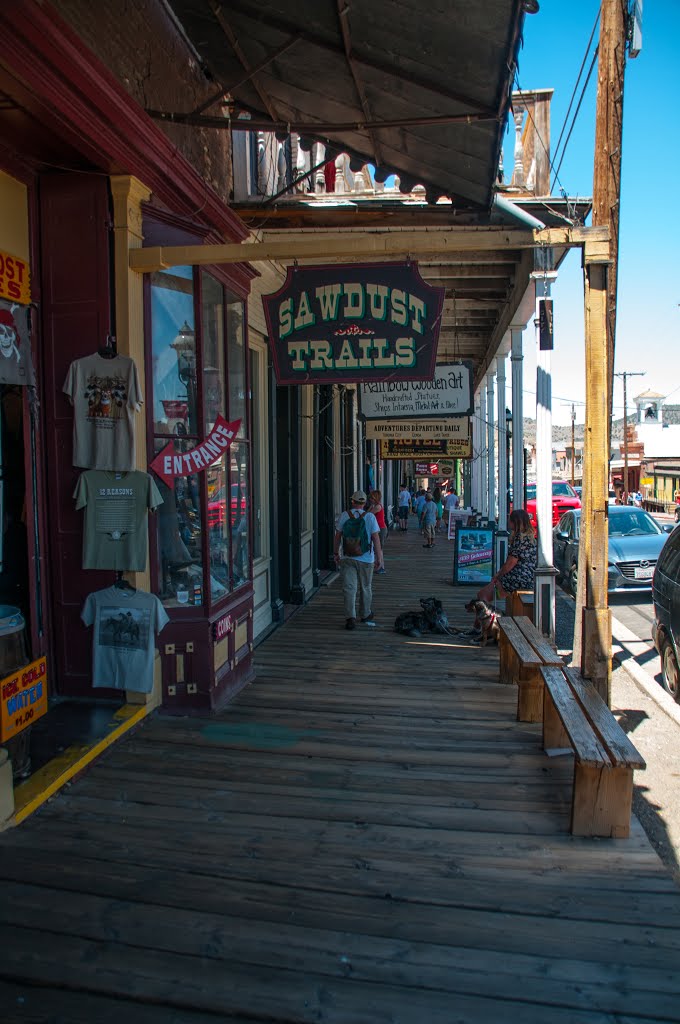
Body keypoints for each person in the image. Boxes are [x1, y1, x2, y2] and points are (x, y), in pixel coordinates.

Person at [333, 490, 383, 630]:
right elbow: (376, 539)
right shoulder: (370, 517)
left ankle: (350, 617)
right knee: (365, 587)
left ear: (352, 501)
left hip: (348, 557)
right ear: (364, 503)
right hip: (366, 559)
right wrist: (379, 558)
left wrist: (336, 553)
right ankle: (365, 614)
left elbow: (337, 536)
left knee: (349, 588)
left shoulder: (344, 515)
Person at [476, 508, 537, 604]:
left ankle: (488, 617)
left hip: (517, 579)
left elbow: (510, 564)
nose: (508, 522)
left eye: (510, 520)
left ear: (515, 522)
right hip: (529, 578)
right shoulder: (530, 538)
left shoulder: (519, 539)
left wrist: (498, 575)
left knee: (481, 596)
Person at [368, 489, 387, 573]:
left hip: (381, 529)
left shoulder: (378, 506)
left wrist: (370, 507)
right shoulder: (375, 506)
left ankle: (381, 567)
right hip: (378, 529)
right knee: (377, 548)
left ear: (375, 498)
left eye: (371, 498)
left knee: (379, 549)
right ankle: (380, 566)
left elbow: (368, 515)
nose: (370, 500)